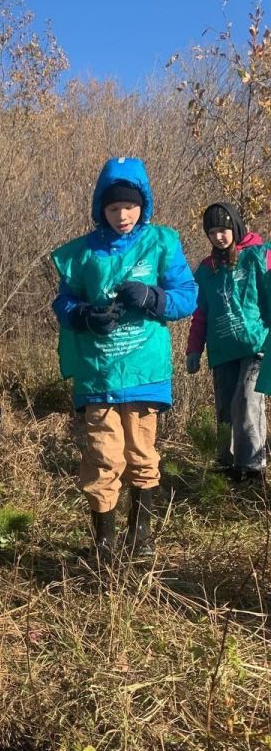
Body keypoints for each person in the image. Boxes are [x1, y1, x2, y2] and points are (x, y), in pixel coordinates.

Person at [50, 157, 197, 559]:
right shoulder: (83, 253)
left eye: (130, 207)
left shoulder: (162, 242)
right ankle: (104, 544)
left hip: (145, 371)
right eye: (114, 208)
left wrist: (154, 298)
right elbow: (63, 301)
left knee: (142, 454)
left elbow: (187, 294)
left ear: (142, 205)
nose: (122, 216)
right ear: (102, 208)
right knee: (103, 456)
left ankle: (141, 537)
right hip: (98, 372)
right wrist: (83, 315)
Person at [186, 202, 271, 481]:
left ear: (234, 227)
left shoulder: (257, 255)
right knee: (225, 407)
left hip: (255, 344)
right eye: (212, 232)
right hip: (222, 349)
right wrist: (194, 349)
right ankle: (227, 466)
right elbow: (200, 314)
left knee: (247, 401)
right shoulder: (207, 269)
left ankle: (252, 467)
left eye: (223, 230)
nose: (219, 237)